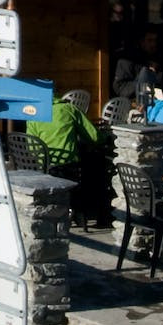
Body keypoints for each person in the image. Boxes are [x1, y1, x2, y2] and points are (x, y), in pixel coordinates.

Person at [29, 90, 112, 228]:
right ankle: (85, 213)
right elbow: (95, 137)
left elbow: (32, 147)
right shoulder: (69, 109)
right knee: (96, 168)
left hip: (45, 167)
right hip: (69, 166)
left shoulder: (34, 115)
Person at [114, 28, 163, 101]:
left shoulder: (158, 57)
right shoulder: (127, 60)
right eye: (149, 40)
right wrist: (144, 77)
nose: (153, 44)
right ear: (142, 42)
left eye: (155, 40)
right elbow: (121, 90)